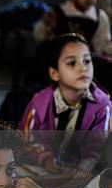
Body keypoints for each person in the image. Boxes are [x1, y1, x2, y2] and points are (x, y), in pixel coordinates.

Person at [19, 33, 111, 173]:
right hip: (41, 173)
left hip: (83, 178)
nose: (82, 68)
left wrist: (84, 167)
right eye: (71, 63)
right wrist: (45, 159)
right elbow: (26, 140)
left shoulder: (103, 106)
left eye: (87, 61)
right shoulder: (39, 104)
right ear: (54, 73)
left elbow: (98, 145)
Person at [34, 0, 112, 55]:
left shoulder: (100, 17)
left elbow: (103, 47)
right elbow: (39, 37)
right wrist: (46, 25)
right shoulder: (57, 12)